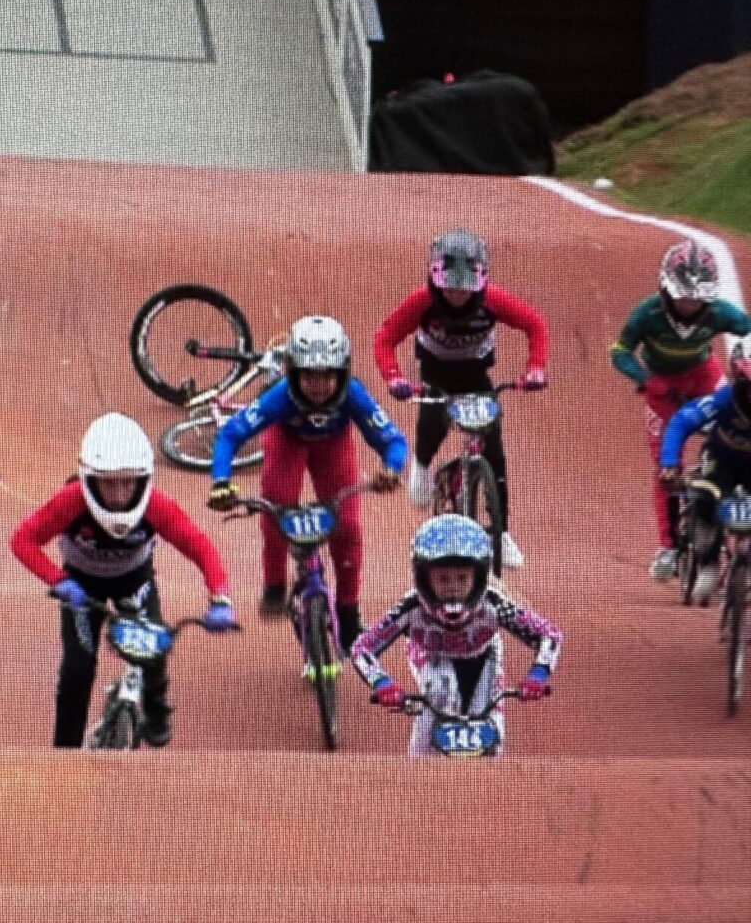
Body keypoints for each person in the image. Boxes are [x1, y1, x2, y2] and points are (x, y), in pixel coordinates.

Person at [11, 413, 237, 749]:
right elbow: (22, 540)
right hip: (80, 588)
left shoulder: (155, 505)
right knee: (77, 670)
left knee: (154, 649)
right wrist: (58, 580)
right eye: (109, 482)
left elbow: (200, 546)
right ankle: (63, 752)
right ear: (90, 479)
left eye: (127, 482)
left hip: (133, 580)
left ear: (143, 479)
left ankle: (156, 709)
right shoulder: (71, 501)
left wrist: (220, 597)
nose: (118, 493)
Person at [206, 314, 405, 654]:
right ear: (293, 373)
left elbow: (393, 440)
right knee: (277, 506)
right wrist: (220, 481)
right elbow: (230, 434)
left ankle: (348, 610)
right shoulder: (279, 397)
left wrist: (392, 468)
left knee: (348, 527)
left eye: (327, 375)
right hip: (287, 441)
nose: (318, 384)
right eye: (308, 375)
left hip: (334, 446)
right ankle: (274, 583)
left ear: (341, 373)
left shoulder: (353, 394)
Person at [372, 228, 549, 569]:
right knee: (432, 427)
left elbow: (535, 324)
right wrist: (395, 379)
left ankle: (502, 533)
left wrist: (535, 368)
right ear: (435, 279)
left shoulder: (494, 300)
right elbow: (385, 338)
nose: (456, 294)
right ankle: (422, 467)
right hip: (434, 377)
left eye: (464, 287)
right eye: (449, 286)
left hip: (476, 376)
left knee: (494, 450)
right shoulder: (421, 302)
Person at [351, 513, 562, 757]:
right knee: (442, 695)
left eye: (462, 578)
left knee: (493, 739)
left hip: (485, 657)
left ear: (479, 578)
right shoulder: (411, 609)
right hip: (431, 655)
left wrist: (537, 674)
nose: (452, 587)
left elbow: (549, 634)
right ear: (424, 579)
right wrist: (382, 683)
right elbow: (362, 647)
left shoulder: (495, 604)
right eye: (442, 578)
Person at [612, 238, 751, 580]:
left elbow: (746, 328)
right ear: (665, 288)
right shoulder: (647, 314)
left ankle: (722, 505)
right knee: (665, 469)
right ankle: (669, 547)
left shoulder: (720, 312)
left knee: (733, 436)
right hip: (662, 391)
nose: (689, 303)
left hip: (705, 379)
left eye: (697, 297)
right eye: (682, 294)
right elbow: (619, 351)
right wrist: (645, 379)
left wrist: (743, 359)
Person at [657, 335, 751, 606]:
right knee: (705, 496)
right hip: (721, 462)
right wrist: (669, 464)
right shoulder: (724, 401)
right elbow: (683, 420)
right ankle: (708, 563)